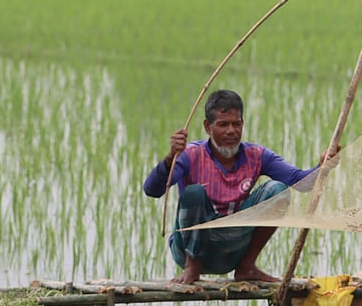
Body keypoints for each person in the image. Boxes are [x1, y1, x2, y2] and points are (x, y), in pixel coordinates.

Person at [143, 89, 335, 284]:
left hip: (231, 249)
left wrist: (324, 166)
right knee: (194, 193)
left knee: (277, 191)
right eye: (223, 124)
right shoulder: (191, 154)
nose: (231, 131)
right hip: (188, 248)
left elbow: (301, 183)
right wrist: (170, 158)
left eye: (237, 124)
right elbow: (152, 190)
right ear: (207, 127)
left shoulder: (256, 155)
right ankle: (192, 266)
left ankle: (246, 266)